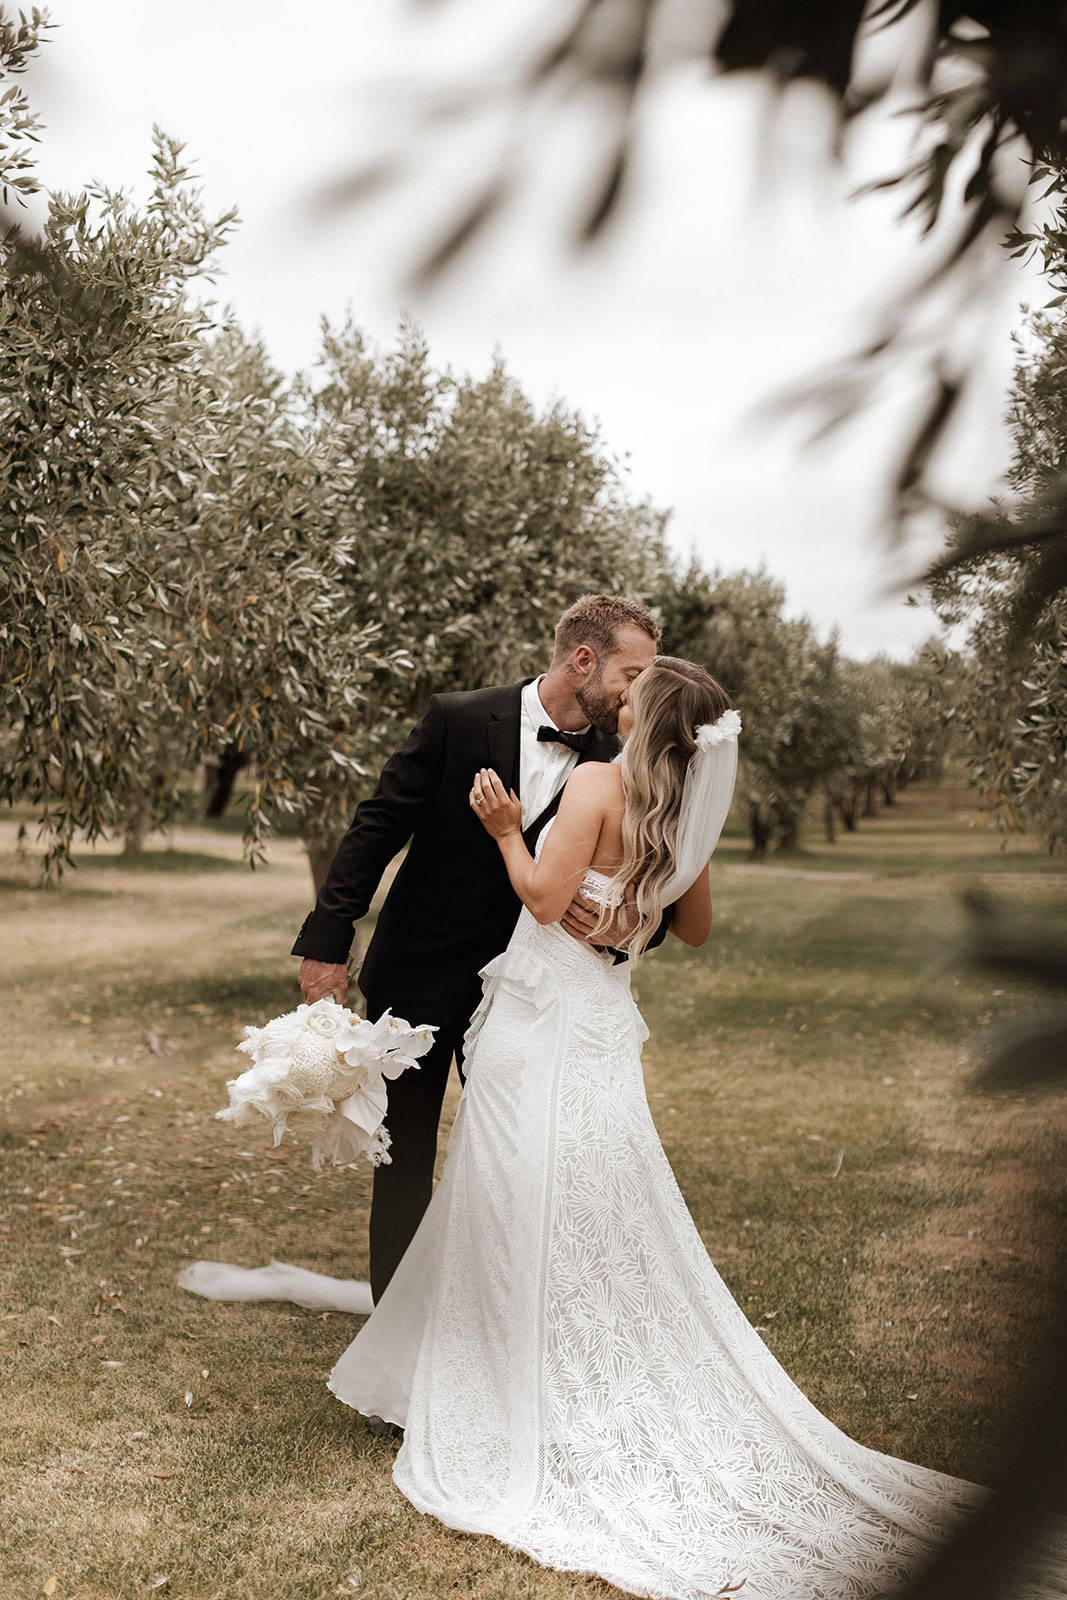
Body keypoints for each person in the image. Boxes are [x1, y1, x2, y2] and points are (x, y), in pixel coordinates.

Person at [324, 657, 1043, 1600]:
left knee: (508, 1187)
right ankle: (525, 1357)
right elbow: (692, 926)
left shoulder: (593, 782)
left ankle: (507, 1381)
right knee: (593, 1196)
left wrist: (505, 832)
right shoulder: (683, 809)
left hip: (539, 1019)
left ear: (644, 718)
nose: (613, 706)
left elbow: (542, 900)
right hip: (602, 1026)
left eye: (627, 700)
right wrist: (628, 910)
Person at [290, 593, 661, 1307]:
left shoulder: (621, 754)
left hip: (530, 992)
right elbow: (376, 828)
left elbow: (656, 872)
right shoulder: (458, 718)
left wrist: (629, 927)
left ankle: (494, 1332)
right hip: (420, 976)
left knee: (516, 1159)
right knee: (403, 1160)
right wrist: (327, 943)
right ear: (583, 659)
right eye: (632, 672)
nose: (638, 691)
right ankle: (395, 1352)